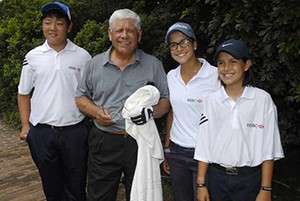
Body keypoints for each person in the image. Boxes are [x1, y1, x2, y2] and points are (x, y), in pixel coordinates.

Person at [75, 8, 170, 201]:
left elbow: (166, 101)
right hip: (104, 139)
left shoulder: (153, 64)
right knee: (98, 196)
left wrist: (151, 112)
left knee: (142, 195)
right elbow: (80, 97)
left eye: (130, 30)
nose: (124, 35)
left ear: (139, 35)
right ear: (110, 34)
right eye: (119, 30)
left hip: (141, 142)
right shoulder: (95, 64)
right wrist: (96, 112)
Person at [17, 2, 91, 201]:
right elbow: (23, 93)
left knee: (76, 186)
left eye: (59, 23)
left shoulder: (83, 57)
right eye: (48, 22)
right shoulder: (32, 57)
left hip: (74, 132)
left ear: (69, 26)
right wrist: (26, 127)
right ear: (42, 25)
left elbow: (91, 94)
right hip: (41, 133)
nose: (52, 28)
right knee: (51, 187)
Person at [194, 39, 284, 201]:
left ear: (247, 65)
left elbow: (268, 148)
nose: (226, 68)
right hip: (217, 178)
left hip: (250, 180)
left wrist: (266, 188)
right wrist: (201, 184)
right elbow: (203, 144)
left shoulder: (262, 100)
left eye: (233, 62)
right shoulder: (211, 101)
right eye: (221, 63)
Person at [162, 22, 220, 201]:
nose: (179, 48)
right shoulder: (171, 77)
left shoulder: (216, 76)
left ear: (194, 44)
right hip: (177, 152)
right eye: (173, 44)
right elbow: (172, 112)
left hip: (206, 155)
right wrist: (167, 148)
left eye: (184, 42)